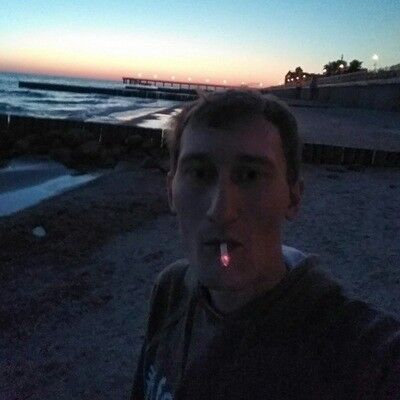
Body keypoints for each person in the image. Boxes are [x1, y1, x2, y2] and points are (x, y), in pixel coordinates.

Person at [130, 89, 400, 400]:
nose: (220, 211)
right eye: (200, 173)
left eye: (250, 175)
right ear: (170, 192)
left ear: (293, 198)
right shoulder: (171, 290)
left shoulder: (360, 351)